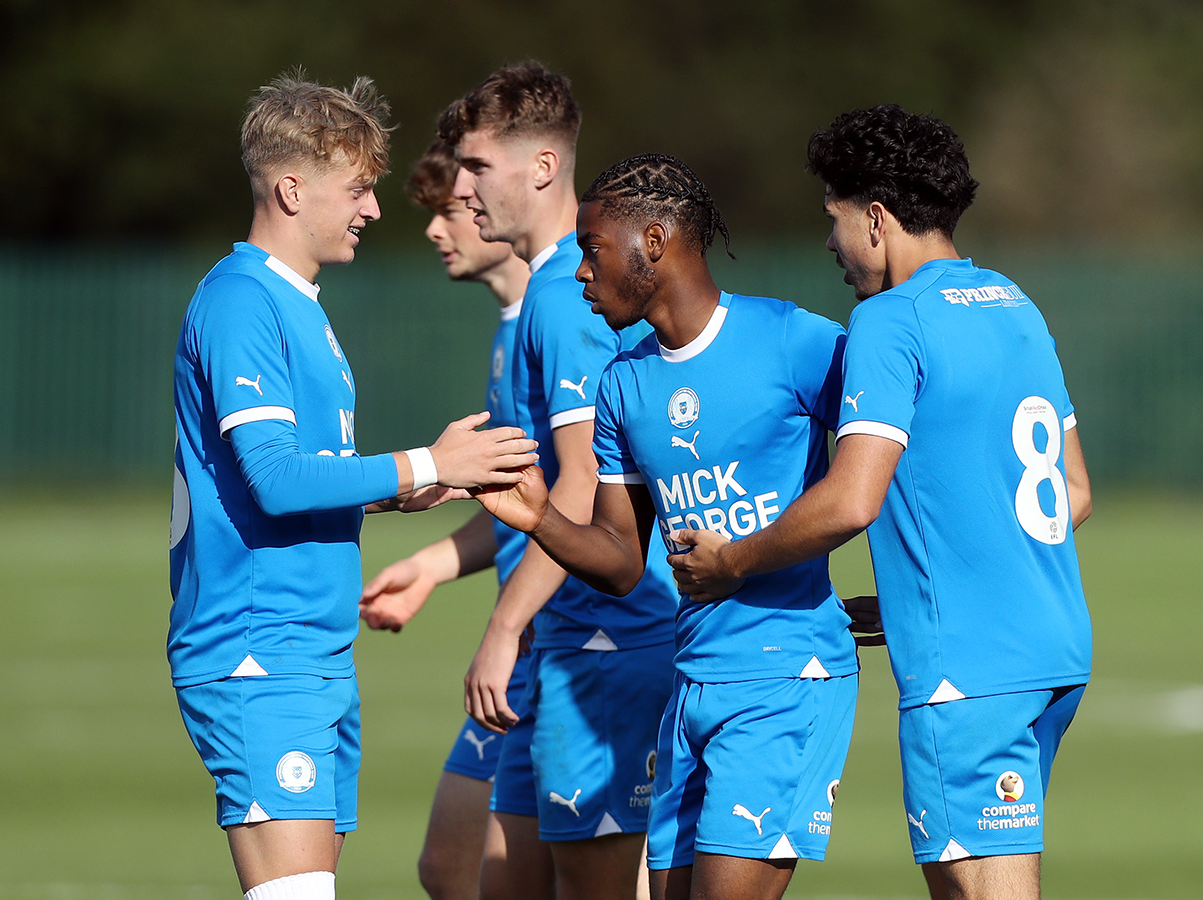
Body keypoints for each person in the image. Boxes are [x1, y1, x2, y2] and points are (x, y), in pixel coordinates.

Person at [669, 106, 1094, 900]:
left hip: (966, 668)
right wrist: (924, 585)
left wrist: (732, 562)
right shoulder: (1013, 302)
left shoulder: (890, 320)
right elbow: (1073, 491)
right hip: (1053, 648)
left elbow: (850, 500)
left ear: (875, 217)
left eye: (833, 221)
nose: (830, 244)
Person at [168, 74, 537, 900]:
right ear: (291, 188)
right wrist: (432, 464)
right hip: (258, 652)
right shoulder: (242, 302)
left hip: (314, 650)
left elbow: (303, 478)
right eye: (359, 188)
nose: (372, 210)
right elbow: (272, 478)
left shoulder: (300, 306)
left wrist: (400, 494)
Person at [474, 152, 861, 900]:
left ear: (653, 241)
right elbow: (622, 560)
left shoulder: (795, 341)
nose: (581, 272)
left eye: (591, 249)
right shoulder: (621, 383)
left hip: (785, 678)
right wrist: (540, 517)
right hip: (690, 685)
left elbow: (882, 458)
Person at [441, 62, 678, 900]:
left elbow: (580, 486)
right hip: (567, 642)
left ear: (542, 168)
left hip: (602, 644)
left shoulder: (566, 296)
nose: (461, 192)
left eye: (476, 169)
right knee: (491, 885)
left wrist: (505, 627)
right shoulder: (547, 291)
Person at [357, 136, 548, 900]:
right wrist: (433, 565)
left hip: (570, 642)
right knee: (450, 866)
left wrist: (508, 625)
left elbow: (578, 504)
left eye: (450, 212)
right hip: (530, 639)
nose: (436, 231)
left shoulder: (559, 318)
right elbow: (526, 502)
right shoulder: (512, 327)